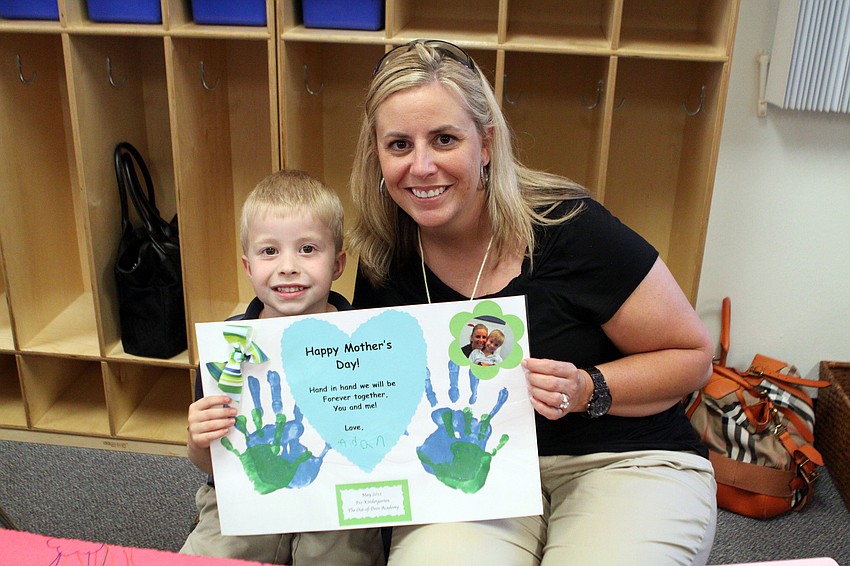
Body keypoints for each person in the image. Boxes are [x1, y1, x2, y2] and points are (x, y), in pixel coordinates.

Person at [348, 40, 717, 565]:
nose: (422, 166)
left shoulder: (570, 228)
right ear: (377, 156)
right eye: (399, 145)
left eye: (445, 139)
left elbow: (693, 358)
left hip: (623, 459)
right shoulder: (383, 259)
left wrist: (589, 386)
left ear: (486, 143)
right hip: (473, 474)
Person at [181, 170, 384, 565]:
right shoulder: (227, 345)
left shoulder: (365, 339)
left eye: (308, 249)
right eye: (269, 251)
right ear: (247, 265)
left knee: (341, 555)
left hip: (338, 498)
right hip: (243, 495)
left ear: (338, 263)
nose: (288, 266)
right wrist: (198, 441)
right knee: (210, 555)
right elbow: (211, 464)